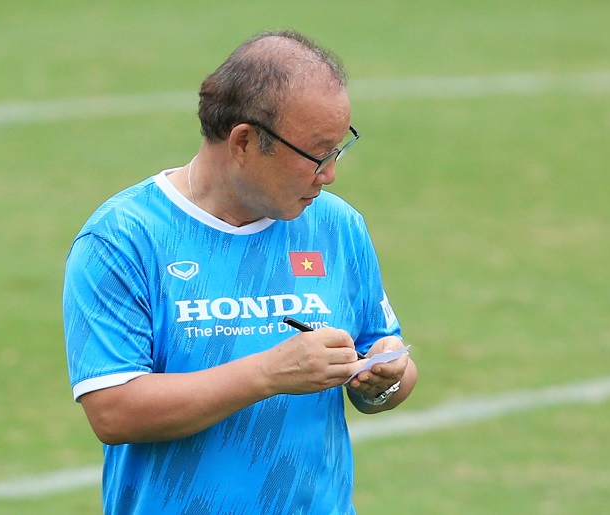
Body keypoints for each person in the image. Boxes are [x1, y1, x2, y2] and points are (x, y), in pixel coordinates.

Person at [63, 29, 417, 515]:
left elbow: (387, 363)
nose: (330, 174)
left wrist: (387, 378)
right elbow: (113, 411)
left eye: (339, 149)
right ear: (245, 142)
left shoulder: (336, 227)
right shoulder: (124, 238)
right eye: (317, 154)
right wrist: (269, 373)